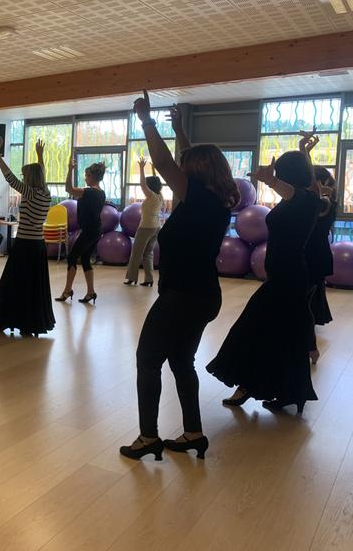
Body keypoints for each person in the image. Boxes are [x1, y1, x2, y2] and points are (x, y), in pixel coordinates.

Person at [120, 95, 239, 461]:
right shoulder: (215, 197)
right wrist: (180, 131)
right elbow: (187, 161)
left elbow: (163, 162)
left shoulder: (196, 195)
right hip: (204, 295)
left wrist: (146, 120)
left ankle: (148, 437)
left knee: (147, 359)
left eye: (187, 168)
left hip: (182, 296)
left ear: (196, 173)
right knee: (180, 362)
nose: (179, 173)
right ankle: (193, 433)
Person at [207, 140, 324, 414]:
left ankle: (249, 385)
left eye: (282, 174)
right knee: (283, 335)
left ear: (288, 176)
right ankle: (287, 391)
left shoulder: (305, 201)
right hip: (285, 276)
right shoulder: (305, 198)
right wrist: (305, 153)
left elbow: (294, 190)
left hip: (289, 278)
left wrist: (270, 180)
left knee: (252, 328)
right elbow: (302, 188)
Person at [0, 138, 54, 337]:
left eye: (25, 175)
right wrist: (40, 155)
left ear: (30, 178)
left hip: (25, 245)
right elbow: (42, 173)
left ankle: (7, 319)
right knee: (32, 286)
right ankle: (28, 323)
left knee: (14, 284)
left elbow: (9, 177)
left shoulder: (30, 192)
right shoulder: (46, 192)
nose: (22, 178)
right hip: (38, 245)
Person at [298, 131, 336, 365]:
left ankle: (309, 347)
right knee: (305, 303)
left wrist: (304, 153)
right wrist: (305, 153)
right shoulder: (313, 201)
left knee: (304, 305)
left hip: (313, 259)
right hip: (308, 258)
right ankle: (309, 347)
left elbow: (311, 190)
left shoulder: (324, 203)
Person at [56, 154, 106, 304]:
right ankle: (91, 292)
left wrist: (70, 169)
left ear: (93, 177)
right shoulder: (101, 193)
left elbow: (68, 188)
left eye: (86, 176)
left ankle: (67, 290)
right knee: (85, 259)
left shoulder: (88, 192)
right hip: (96, 230)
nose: (85, 178)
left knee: (71, 258)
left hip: (90, 231)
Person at [124, 158, 164, 286]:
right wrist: (152, 169)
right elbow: (156, 182)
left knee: (136, 253)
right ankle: (149, 279)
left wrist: (141, 168)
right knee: (148, 253)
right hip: (156, 227)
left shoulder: (151, 196)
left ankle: (131, 278)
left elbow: (142, 184)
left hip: (146, 228)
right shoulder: (160, 196)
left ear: (150, 187)